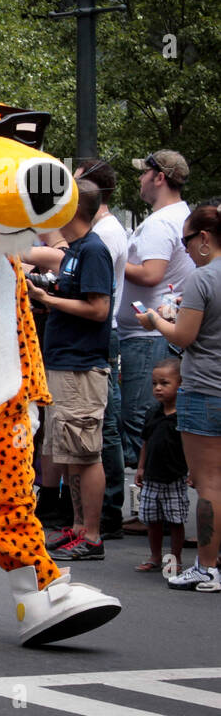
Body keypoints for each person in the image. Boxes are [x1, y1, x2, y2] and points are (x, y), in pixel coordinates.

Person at [134, 204, 221, 591]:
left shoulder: (204, 279)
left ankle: (206, 566)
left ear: (204, 238)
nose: (184, 250)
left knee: (209, 484)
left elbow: (184, 337)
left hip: (204, 388)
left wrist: (155, 321)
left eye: (187, 241)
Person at [29, 180, 115, 561]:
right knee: (68, 452)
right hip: (64, 363)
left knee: (85, 453)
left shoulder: (94, 250)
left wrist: (48, 299)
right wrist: (50, 300)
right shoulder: (76, 250)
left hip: (82, 367)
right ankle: (79, 527)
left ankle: (92, 535)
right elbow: (76, 300)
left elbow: (99, 309)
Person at [118, 150, 193, 466]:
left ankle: (143, 505)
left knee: (138, 420)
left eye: (143, 173)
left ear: (159, 177)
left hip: (146, 336)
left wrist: (115, 259)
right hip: (156, 333)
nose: (139, 179)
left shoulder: (161, 223)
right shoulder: (181, 216)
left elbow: (151, 274)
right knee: (150, 419)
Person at [77, 158, 130, 540]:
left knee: (102, 427)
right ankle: (92, 514)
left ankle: (108, 509)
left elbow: (97, 300)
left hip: (99, 337)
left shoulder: (105, 235)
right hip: (93, 337)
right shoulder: (99, 232)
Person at [132, 359, 188, 573]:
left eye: (164, 383)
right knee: (152, 519)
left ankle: (176, 559)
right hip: (152, 477)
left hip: (175, 477)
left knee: (175, 520)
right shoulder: (153, 412)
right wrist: (141, 467)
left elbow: (190, 446)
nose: (158, 388)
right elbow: (146, 441)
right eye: (154, 383)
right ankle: (155, 556)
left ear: (180, 384)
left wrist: (192, 472)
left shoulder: (183, 414)